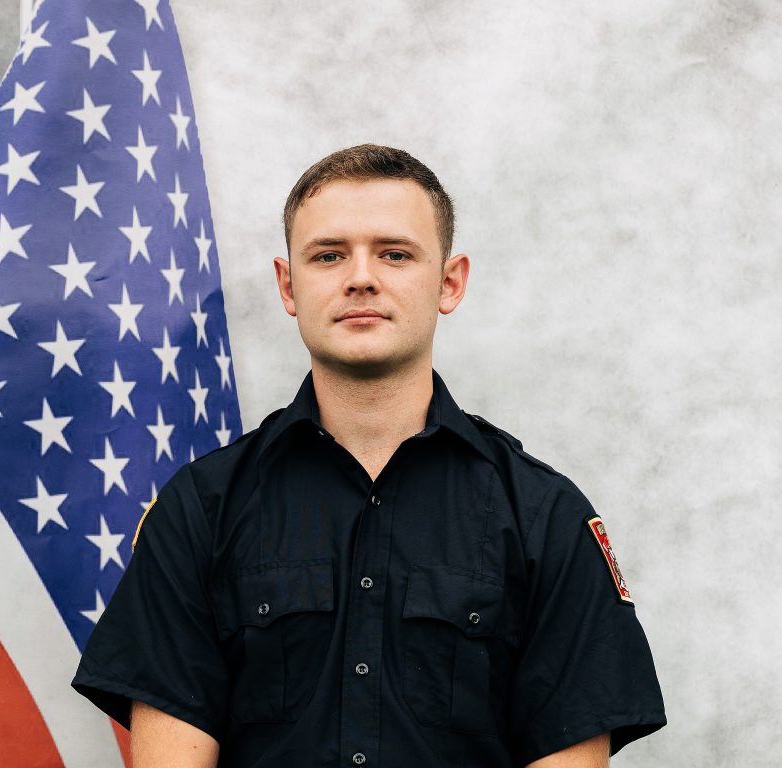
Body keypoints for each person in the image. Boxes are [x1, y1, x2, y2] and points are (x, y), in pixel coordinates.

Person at [72, 144, 666, 767]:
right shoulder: (202, 507)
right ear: (288, 285)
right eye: (328, 256)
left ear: (450, 281)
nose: (360, 276)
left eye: (394, 254)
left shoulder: (544, 515)